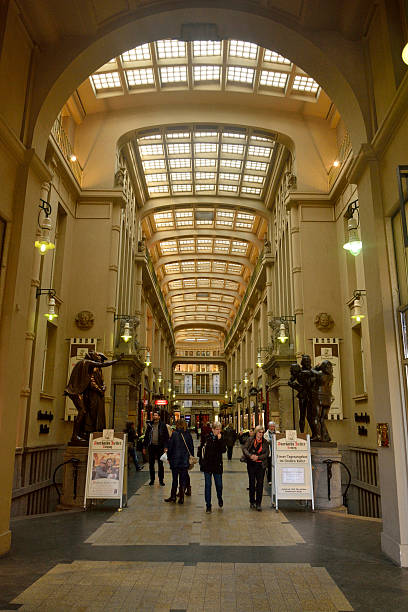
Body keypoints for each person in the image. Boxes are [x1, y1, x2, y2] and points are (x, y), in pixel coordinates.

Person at [65, 351, 122, 442]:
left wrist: (102, 388)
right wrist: (116, 360)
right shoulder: (87, 362)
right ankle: (75, 436)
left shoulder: (85, 364)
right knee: (82, 411)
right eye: (99, 358)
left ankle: (78, 434)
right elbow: (102, 366)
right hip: (75, 391)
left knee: (83, 411)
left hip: (77, 391)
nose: (100, 361)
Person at [165, 419, 194, 504]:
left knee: (174, 479)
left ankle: (173, 496)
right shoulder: (188, 435)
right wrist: (190, 457)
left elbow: (170, 447)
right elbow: (191, 447)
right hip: (184, 461)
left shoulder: (174, 434)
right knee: (182, 479)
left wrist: (169, 458)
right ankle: (181, 498)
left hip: (175, 460)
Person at [201, 421, 226, 513]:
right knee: (208, 485)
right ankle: (208, 505)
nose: (218, 431)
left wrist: (219, 440)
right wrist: (202, 463)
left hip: (217, 465)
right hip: (207, 465)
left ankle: (219, 497)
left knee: (219, 485)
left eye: (219, 429)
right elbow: (202, 450)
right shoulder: (207, 437)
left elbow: (223, 450)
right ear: (213, 429)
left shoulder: (221, 438)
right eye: (216, 429)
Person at [242, 425, 269, 511]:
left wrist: (258, 457)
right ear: (256, 432)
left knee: (260, 483)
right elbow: (245, 448)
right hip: (251, 464)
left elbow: (266, 453)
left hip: (261, 465)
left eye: (262, 432)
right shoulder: (250, 440)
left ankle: (258, 503)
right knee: (252, 483)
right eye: (259, 432)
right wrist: (250, 456)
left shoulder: (265, 442)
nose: (260, 434)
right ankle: (252, 501)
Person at [143, 411, 169, 486]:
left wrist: (165, 447)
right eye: (154, 415)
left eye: (156, 415)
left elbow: (166, 437)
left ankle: (161, 480)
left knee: (160, 464)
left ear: (159, 417)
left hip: (160, 447)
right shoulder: (150, 425)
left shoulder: (163, 425)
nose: (155, 416)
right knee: (151, 464)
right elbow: (146, 436)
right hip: (151, 446)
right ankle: (152, 479)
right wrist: (144, 447)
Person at [264, 421, 279, 485]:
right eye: (271, 426)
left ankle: (276, 478)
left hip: (276, 452)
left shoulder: (278, 433)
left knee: (277, 466)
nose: (272, 427)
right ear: (268, 427)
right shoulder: (265, 434)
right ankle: (269, 479)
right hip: (270, 452)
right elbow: (266, 442)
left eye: (273, 426)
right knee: (269, 466)